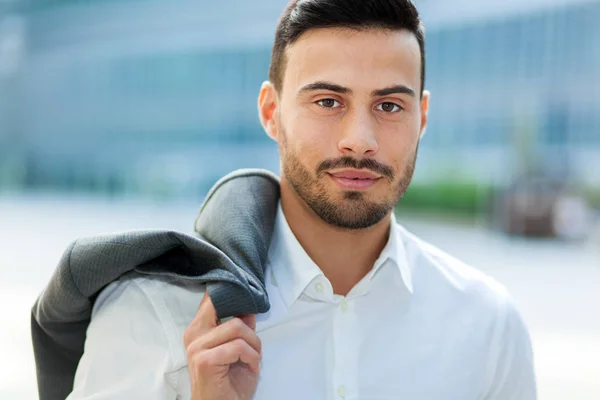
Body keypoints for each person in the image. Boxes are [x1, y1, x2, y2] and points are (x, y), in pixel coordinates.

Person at [66, 0, 537, 399]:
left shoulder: (488, 325)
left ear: (423, 117)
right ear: (272, 113)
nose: (359, 140)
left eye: (389, 106)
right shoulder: (148, 311)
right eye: (328, 102)